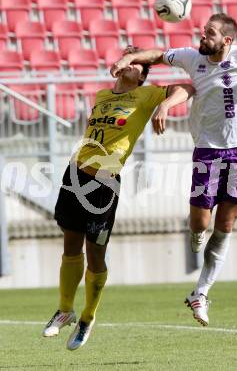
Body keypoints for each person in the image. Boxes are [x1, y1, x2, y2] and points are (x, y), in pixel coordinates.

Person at [110, 13, 237, 327]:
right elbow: (158, 55)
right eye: (202, 31)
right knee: (200, 223)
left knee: (225, 223)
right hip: (208, 152)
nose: (202, 37)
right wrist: (130, 56)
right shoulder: (190, 57)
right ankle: (197, 233)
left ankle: (201, 292)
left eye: (209, 33)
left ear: (226, 40)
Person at [42, 46, 195, 350]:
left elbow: (187, 88)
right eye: (128, 58)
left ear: (142, 75)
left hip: (105, 180)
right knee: (70, 246)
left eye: (138, 62)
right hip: (75, 174)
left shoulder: (147, 95)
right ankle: (64, 310)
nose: (131, 64)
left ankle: (87, 316)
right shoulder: (102, 95)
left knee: (95, 253)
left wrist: (164, 107)